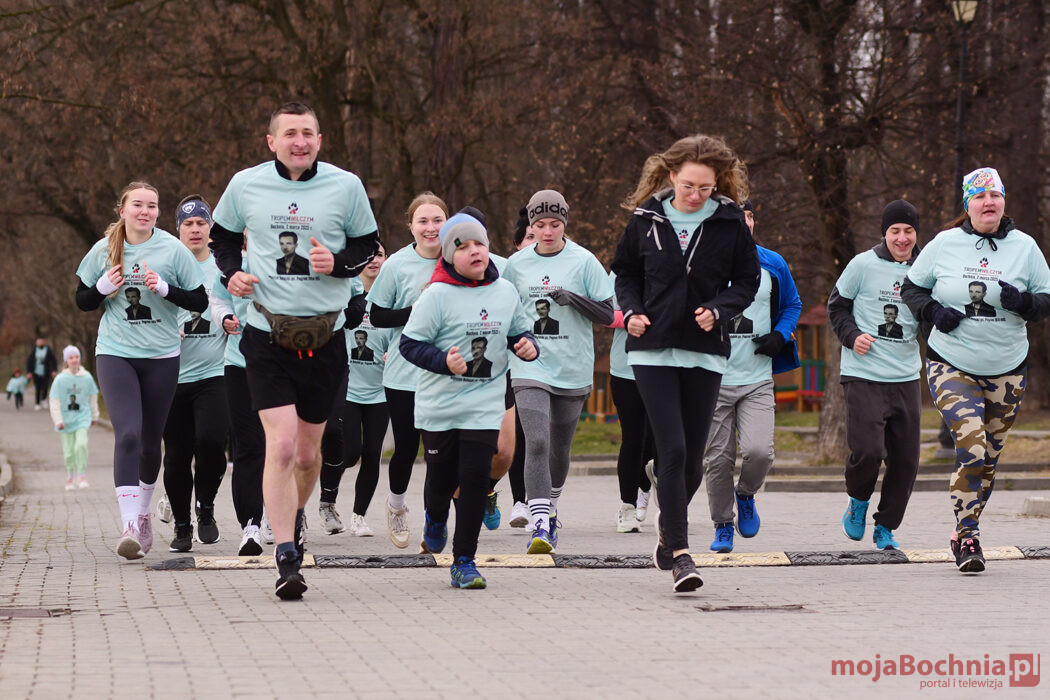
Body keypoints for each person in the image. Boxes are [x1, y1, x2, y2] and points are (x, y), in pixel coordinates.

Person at [210, 102, 379, 599]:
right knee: (281, 446)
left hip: (325, 338)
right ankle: (285, 556)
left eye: (307, 133)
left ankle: (295, 514)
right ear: (272, 141)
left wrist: (339, 264)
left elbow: (367, 246)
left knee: (308, 456)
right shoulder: (246, 184)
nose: (299, 141)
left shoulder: (346, 186)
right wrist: (231, 273)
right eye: (290, 134)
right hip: (265, 334)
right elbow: (222, 238)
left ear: (319, 140)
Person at [611, 134, 760, 592]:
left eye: (705, 188)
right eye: (688, 185)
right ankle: (680, 553)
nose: (695, 195)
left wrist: (719, 309)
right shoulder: (645, 219)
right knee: (672, 451)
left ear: (719, 184)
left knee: (693, 461)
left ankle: (666, 527)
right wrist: (632, 312)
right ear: (672, 175)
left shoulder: (729, 223)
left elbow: (747, 281)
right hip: (652, 349)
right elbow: (626, 273)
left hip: (704, 351)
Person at [902, 167, 1050, 573]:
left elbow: (1046, 300)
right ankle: (969, 536)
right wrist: (933, 311)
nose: (989, 202)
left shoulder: (1025, 247)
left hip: (1007, 369)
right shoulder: (945, 243)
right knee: (972, 449)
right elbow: (911, 288)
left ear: (1003, 201)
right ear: (967, 204)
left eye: (995, 195)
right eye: (980, 196)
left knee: (989, 459)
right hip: (952, 363)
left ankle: (963, 528)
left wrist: (1023, 303)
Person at [400, 213, 538, 587]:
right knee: (443, 479)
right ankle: (435, 515)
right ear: (449, 255)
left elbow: (519, 331)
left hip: (484, 402)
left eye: (479, 244)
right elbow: (409, 345)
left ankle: (464, 561)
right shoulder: (436, 295)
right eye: (463, 246)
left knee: (476, 478)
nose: (474, 251)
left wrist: (527, 345)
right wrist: (443, 361)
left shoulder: (505, 291)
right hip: (440, 405)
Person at [75, 181, 208, 561]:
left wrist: (165, 289)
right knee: (129, 435)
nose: (145, 211)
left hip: (162, 356)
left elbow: (199, 300)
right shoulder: (104, 249)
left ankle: (145, 512)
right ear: (123, 210)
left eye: (152, 205)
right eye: (138, 204)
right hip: (115, 352)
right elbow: (82, 300)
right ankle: (129, 524)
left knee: (151, 443)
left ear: (157, 212)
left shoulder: (173, 249)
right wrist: (101, 288)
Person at [503, 189, 614, 554]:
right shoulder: (516, 265)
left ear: (565, 223)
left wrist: (574, 299)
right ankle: (538, 524)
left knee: (559, 449)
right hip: (529, 365)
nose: (547, 231)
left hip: (572, 367)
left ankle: (550, 508)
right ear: (531, 225)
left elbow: (608, 314)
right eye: (540, 225)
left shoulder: (584, 261)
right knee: (536, 441)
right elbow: (503, 310)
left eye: (554, 224)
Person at [702, 200, 801, 553]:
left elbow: (792, 304)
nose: (743, 222)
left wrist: (780, 334)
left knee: (759, 452)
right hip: (714, 378)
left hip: (757, 377)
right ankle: (722, 525)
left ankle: (745, 494)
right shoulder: (705, 262)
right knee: (717, 460)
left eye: (748, 216)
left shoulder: (772, 263)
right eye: (735, 217)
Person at [828, 199, 923, 551]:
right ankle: (858, 500)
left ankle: (885, 527)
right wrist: (852, 336)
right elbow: (837, 307)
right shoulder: (862, 265)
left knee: (906, 459)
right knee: (868, 450)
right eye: (895, 231)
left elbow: (930, 315)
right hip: (864, 373)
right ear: (884, 233)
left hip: (906, 376)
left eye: (909, 231)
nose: (902, 238)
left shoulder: (925, 270)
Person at [366, 192, 447, 548]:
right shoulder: (397, 265)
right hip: (404, 373)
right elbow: (377, 316)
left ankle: (434, 523)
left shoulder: (457, 259)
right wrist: (417, 312)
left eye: (437, 220)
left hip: (445, 372)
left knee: (439, 453)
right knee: (407, 448)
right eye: (423, 221)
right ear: (411, 226)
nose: (431, 228)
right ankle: (396, 505)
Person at [161, 196, 230, 552]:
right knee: (176, 454)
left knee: (213, 442)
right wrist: (165, 330)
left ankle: (206, 506)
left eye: (201, 223)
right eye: (188, 224)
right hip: (171, 374)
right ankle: (182, 525)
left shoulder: (223, 267)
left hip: (214, 372)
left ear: (210, 228)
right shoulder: (167, 265)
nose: (195, 229)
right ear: (178, 230)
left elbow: (236, 304)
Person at [318, 244, 391, 537]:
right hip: (347, 387)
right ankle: (327, 498)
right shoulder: (346, 291)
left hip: (380, 389)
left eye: (379, 255)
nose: (373, 261)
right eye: (368, 256)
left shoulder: (392, 296)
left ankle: (359, 517)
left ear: (387, 260)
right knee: (348, 453)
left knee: (372, 453)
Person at [209, 249, 268, 554]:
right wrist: (225, 318)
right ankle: (251, 526)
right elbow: (218, 300)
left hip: (283, 365)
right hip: (239, 363)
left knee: (284, 446)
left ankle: (286, 515)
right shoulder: (235, 264)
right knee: (248, 446)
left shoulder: (291, 258)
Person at [608, 270, 655, 532]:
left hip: (667, 364)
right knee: (634, 438)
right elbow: (607, 314)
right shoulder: (622, 269)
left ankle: (666, 502)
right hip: (626, 367)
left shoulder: (681, 258)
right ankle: (628, 505)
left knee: (662, 440)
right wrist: (632, 319)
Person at [48, 345, 99, 490]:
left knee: (81, 445)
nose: (74, 360)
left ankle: (81, 475)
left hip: (82, 417)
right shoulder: (60, 379)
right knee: (69, 451)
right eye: (71, 357)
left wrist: (95, 415)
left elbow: (93, 397)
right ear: (66, 360)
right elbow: (54, 401)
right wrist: (58, 420)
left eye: (76, 357)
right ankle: (70, 476)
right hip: (65, 420)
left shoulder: (87, 377)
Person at [26, 337, 58, 410]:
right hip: (36, 372)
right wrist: (29, 372)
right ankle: (37, 403)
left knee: (45, 387)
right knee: (37, 388)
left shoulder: (48, 350)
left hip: (46, 372)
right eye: (38, 342)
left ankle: (43, 399)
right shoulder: (34, 350)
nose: (40, 343)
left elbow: (54, 360)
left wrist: (54, 370)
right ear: (36, 343)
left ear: (44, 342)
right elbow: (29, 361)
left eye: (41, 341)